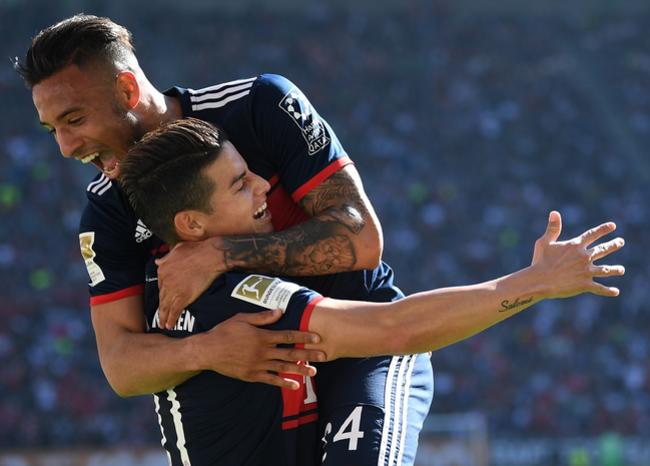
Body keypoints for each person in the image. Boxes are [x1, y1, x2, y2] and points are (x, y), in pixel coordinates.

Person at [16, 14, 435, 465]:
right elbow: (121, 364)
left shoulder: (259, 107)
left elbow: (362, 237)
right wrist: (206, 350)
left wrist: (221, 253)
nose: (65, 146)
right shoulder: (106, 211)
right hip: (261, 379)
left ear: (127, 91)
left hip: (363, 346)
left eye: (74, 119)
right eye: (53, 129)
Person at [118, 117, 624, 466]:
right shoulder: (239, 300)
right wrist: (537, 282)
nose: (264, 186)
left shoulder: (157, 292)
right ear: (191, 224)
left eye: (249, 171)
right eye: (238, 184)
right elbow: (397, 328)